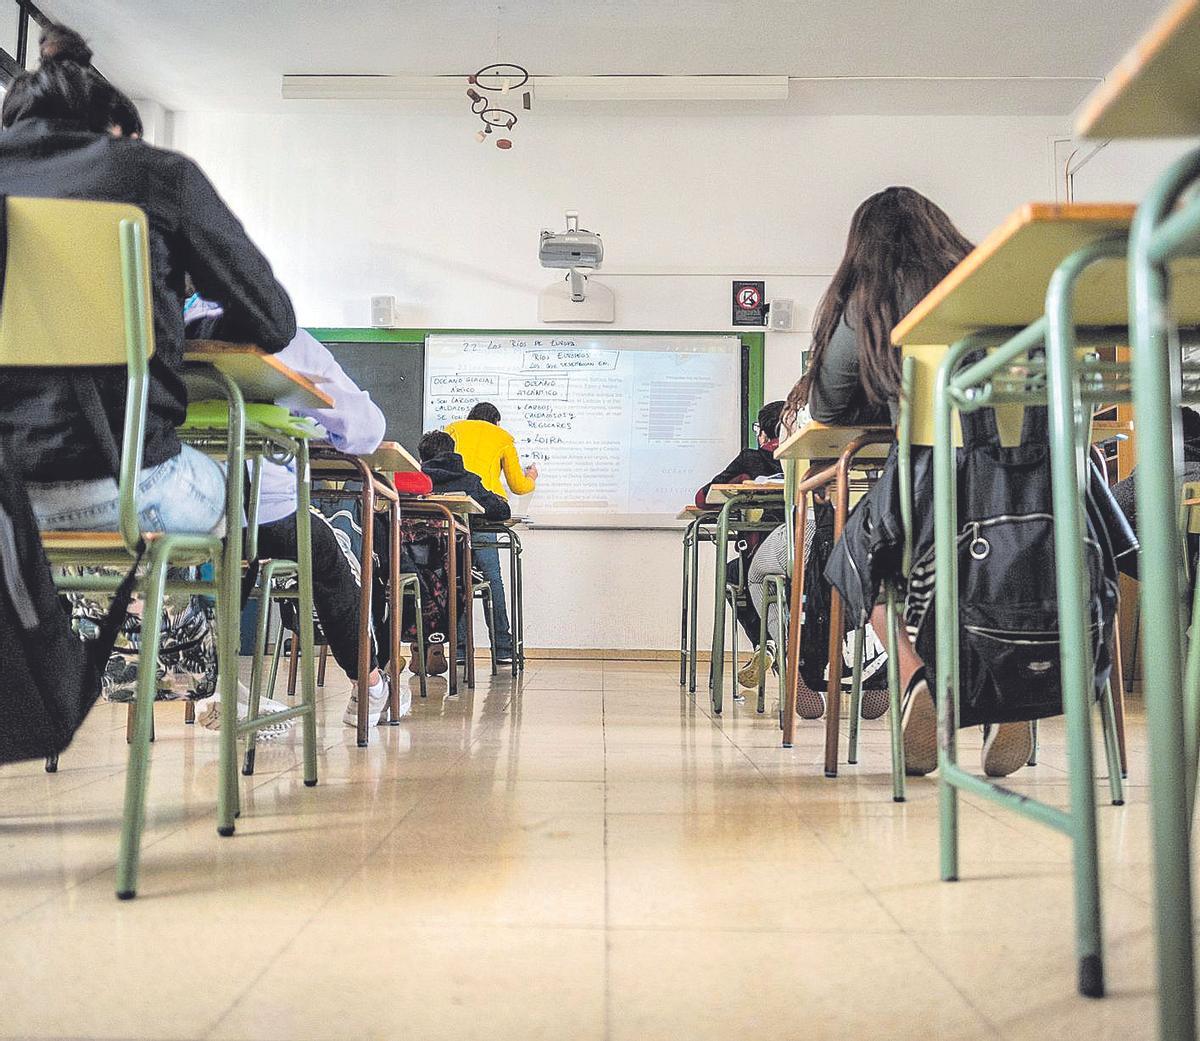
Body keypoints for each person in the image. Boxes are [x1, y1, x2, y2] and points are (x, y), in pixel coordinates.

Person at [0, 23, 296, 541]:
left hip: (6, 497)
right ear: (116, 130)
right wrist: (184, 327)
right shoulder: (156, 174)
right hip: (126, 487)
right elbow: (273, 321)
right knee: (233, 489)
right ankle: (171, 598)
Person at [184, 297, 408, 729]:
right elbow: (366, 430)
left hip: (175, 511)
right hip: (265, 512)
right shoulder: (283, 337)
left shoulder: (155, 331)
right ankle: (370, 683)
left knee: (227, 553)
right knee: (329, 557)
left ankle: (216, 678)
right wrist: (311, 426)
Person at [694, 401, 785, 694]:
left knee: (733, 574)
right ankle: (781, 645)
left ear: (763, 433)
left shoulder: (751, 460)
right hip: (810, 558)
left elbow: (704, 498)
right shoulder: (807, 459)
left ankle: (765, 642)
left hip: (762, 558)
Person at [413, 430, 512, 677]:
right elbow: (501, 512)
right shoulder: (469, 481)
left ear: (422, 458)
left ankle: (452, 649)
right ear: (453, 453)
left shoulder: (413, 481)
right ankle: (502, 648)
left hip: (419, 565)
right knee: (482, 577)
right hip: (461, 553)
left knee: (448, 577)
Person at [445, 402, 536, 665]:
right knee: (492, 579)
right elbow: (518, 485)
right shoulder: (502, 437)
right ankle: (504, 649)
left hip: (453, 510)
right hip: (485, 513)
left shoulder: (453, 429)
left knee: (456, 578)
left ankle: (460, 651)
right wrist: (531, 477)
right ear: (495, 421)